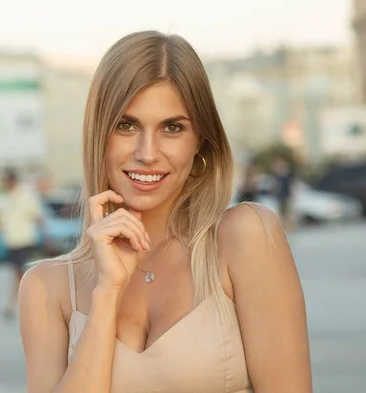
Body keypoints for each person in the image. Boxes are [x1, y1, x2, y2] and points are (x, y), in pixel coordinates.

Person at [19, 31, 312, 393]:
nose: (147, 152)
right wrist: (107, 292)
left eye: (172, 128)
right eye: (126, 125)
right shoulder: (46, 288)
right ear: (99, 134)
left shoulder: (244, 238)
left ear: (200, 141)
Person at [0, 168, 50, 319]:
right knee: (17, 275)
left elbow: (37, 217)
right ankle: (19, 304)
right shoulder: (3, 199)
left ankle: (26, 304)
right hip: (11, 241)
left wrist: (46, 236)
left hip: (25, 240)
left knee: (24, 274)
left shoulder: (26, 195)